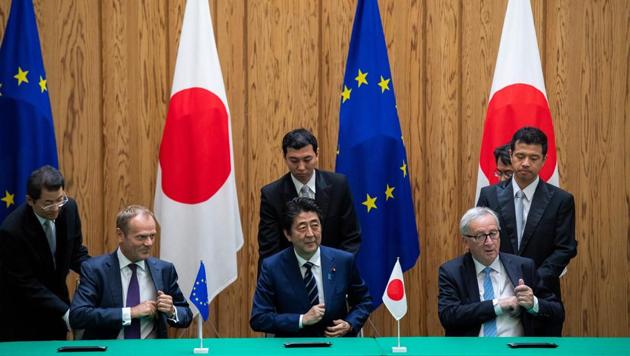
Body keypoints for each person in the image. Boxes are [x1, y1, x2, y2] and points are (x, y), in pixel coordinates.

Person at [477, 127, 577, 335]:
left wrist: (534, 279)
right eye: (520, 156)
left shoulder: (561, 200)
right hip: (497, 292)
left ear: (544, 160)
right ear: (511, 155)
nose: (525, 163)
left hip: (541, 295)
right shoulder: (489, 195)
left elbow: (565, 249)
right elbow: (478, 241)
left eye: (533, 158)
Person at [250, 197, 372, 337]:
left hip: (336, 344)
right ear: (288, 234)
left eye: (315, 225)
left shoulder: (342, 261)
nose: (310, 234)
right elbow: (259, 318)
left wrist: (349, 324)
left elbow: (364, 301)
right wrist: (302, 320)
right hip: (293, 346)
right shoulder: (273, 266)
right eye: (302, 227)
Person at [69, 205, 192, 339]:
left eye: (152, 236)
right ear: (120, 235)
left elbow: (186, 315)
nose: (149, 243)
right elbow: (78, 316)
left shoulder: (164, 270)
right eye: (141, 237)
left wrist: (171, 311)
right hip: (110, 351)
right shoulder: (95, 269)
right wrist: (130, 313)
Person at [438, 207, 564, 337]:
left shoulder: (523, 266)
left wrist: (533, 303)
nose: (489, 242)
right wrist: (499, 304)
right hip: (473, 349)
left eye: (493, 233)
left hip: (515, 349)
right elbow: (448, 316)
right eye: (480, 236)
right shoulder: (452, 271)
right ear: (466, 241)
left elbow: (557, 311)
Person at [0, 165, 90, 341]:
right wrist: (66, 312)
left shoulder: (69, 208)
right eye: (48, 203)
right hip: (22, 317)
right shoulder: (12, 231)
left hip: (57, 312)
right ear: (30, 201)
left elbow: (76, 253)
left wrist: (100, 273)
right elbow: (26, 283)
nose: (56, 208)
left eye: (60, 200)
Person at [257, 128, 361, 272]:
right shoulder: (272, 195)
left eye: (307, 159)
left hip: (333, 272)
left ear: (316, 154)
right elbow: (269, 250)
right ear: (285, 157)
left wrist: (336, 271)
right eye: (294, 160)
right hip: (290, 277)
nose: (301, 167)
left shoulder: (339, 185)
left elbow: (351, 238)